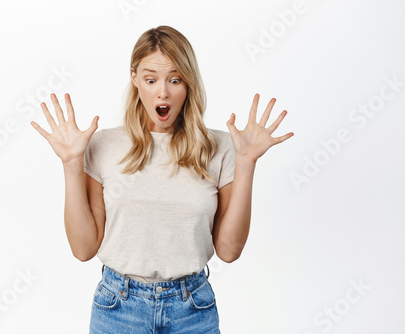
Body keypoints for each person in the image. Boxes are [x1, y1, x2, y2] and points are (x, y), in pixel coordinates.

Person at [31, 25, 293, 334]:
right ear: (135, 80)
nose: (163, 92)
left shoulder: (221, 148)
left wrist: (247, 163)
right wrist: (71, 163)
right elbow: (83, 248)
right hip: (118, 309)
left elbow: (229, 251)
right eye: (151, 79)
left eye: (175, 79)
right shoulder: (103, 145)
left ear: (188, 82)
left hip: (193, 310)